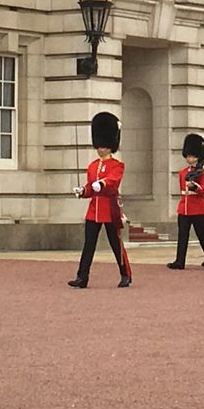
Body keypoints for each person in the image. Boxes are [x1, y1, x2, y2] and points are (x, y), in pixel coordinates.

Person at [69, 112, 132, 289]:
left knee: (116, 244)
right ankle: (82, 277)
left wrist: (102, 184)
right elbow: (91, 188)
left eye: (104, 145)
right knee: (88, 245)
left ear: (111, 145)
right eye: (99, 145)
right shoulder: (93, 166)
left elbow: (113, 182)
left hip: (110, 208)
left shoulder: (117, 165)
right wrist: (83, 191)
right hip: (94, 210)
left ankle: (125, 274)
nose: (101, 148)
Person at [169, 133, 204, 270]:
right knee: (182, 235)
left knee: (201, 234)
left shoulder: (203, 173)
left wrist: (195, 187)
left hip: (198, 208)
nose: (190, 158)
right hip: (184, 207)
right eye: (188, 156)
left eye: (193, 156)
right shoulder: (183, 173)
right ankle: (180, 260)